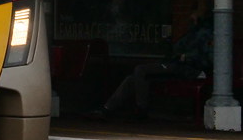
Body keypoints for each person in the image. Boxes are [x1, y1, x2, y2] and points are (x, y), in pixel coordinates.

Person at [85, 7, 213, 121]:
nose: (191, 15)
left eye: (195, 12)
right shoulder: (192, 31)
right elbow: (176, 49)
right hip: (175, 65)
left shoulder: (204, 32)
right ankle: (106, 109)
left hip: (186, 68)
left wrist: (186, 57)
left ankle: (142, 109)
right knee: (131, 79)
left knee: (141, 70)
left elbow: (204, 56)